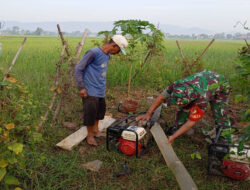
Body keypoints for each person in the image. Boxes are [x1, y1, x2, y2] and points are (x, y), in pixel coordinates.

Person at [136, 70, 232, 144]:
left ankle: (224, 141)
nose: (179, 105)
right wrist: (148, 113)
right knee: (183, 109)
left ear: (191, 100)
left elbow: (191, 122)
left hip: (220, 85)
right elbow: (161, 98)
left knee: (220, 114)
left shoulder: (201, 99)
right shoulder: (175, 85)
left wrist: (174, 137)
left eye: (183, 103)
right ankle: (177, 127)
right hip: (204, 78)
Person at [74, 35, 128, 146]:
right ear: (114, 45)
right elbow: (78, 69)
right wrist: (81, 87)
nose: (118, 53)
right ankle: (89, 135)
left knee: (100, 111)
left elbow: (101, 72)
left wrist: (103, 87)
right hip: (89, 89)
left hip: (100, 88)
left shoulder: (107, 55)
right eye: (119, 50)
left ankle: (96, 130)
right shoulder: (93, 53)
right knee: (90, 112)